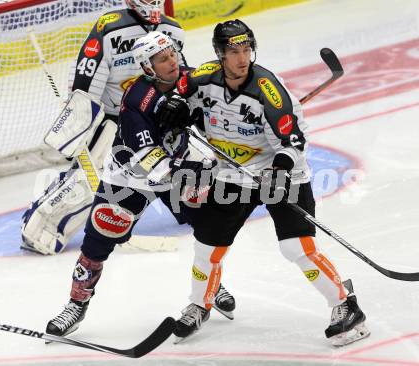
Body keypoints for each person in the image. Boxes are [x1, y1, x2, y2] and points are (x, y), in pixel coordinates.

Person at [159, 19, 370, 346]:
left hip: (281, 173)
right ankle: (200, 304)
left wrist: (280, 170)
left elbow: (294, 143)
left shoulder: (269, 91)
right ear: (220, 54)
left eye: (247, 50)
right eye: (234, 52)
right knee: (207, 248)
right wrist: (176, 109)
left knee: (296, 247)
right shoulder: (203, 78)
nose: (242, 58)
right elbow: (176, 93)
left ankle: (345, 304)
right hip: (232, 174)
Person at [45, 31, 234, 338]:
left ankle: (208, 289)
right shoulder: (135, 103)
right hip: (129, 177)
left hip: (176, 163)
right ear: (148, 68)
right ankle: (76, 305)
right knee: (97, 243)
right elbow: (156, 167)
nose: (172, 61)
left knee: (208, 228)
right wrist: (206, 168)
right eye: (162, 59)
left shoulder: (190, 79)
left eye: (172, 53)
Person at [21, 0, 189, 255]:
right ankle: (41, 226)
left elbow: (179, 75)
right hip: (117, 121)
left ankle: (187, 205)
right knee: (94, 179)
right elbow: (85, 85)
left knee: (183, 186)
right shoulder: (109, 28)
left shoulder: (173, 31)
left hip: (158, 120)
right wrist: (78, 124)